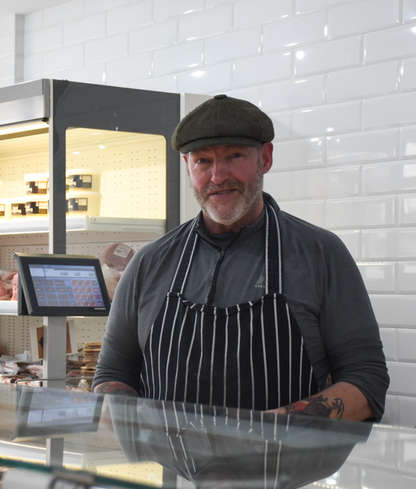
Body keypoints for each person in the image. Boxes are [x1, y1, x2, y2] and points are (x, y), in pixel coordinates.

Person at [93, 95, 389, 421]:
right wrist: (139, 431)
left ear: (266, 157)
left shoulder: (320, 253)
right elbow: (111, 374)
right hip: (177, 470)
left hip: (285, 468)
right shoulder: (150, 262)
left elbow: (367, 381)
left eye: (234, 156)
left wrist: (275, 429)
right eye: (203, 161)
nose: (218, 176)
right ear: (187, 166)